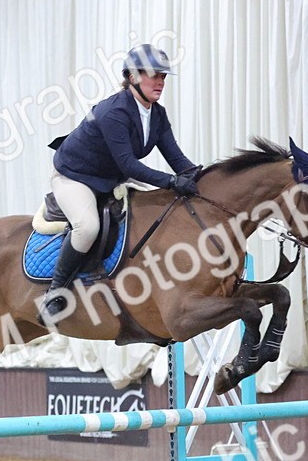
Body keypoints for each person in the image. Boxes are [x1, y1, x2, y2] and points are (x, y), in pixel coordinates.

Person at [41, 44, 201, 320]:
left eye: (163, 77)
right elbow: (130, 165)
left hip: (110, 176)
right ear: (133, 77)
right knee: (87, 227)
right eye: (154, 75)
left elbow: (177, 159)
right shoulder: (114, 111)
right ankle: (55, 294)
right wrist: (173, 182)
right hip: (76, 176)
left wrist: (202, 178)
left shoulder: (157, 114)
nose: (160, 82)